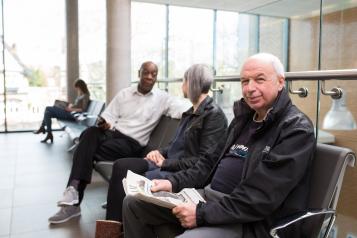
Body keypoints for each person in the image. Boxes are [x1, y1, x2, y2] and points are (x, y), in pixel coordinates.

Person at [122, 53, 316, 238]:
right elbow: (208, 162)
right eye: (245, 81)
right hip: (208, 199)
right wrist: (173, 182)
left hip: (248, 220)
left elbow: (260, 197)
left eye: (259, 79)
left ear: (280, 82)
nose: (250, 88)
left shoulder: (295, 129)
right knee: (134, 203)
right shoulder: (243, 120)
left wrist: (201, 214)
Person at [48, 61, 189, 224]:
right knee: (90, 133)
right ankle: (72, 192)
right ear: (139, 74)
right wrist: (105, 122)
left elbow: (181, 108)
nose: (150, 77)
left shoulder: (162, 98)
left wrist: (198, 107)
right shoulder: (124, 94)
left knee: (85, 148)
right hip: (112, 135)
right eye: (146, 73)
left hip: (131, 145)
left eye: (154, 74)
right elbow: (109, 116)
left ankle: (73, 195)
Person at [104, 64, 228, 223]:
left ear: (192, 83)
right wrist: (160, 152)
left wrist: (166, 162)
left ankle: (117, 227)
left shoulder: (213, 116)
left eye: (184, 81)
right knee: (121, 165)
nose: (182, 85)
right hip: (166, 163)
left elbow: (202, 161)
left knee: (129, 182)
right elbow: (175, 144)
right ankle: (112, 226)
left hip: (175, 170)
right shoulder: (190, 112)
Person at [33, 79, 90, 143]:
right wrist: (70, 105)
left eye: (77, 88)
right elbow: (78, 105)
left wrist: (70, 109)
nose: (77, 90)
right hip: (70, 112)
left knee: (48, 108)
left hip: (72, 115)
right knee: (47, 114)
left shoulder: (86, 95)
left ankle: (43, 129)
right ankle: (48, 134)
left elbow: (83, 109)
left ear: (81, 86)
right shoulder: (81, 94)